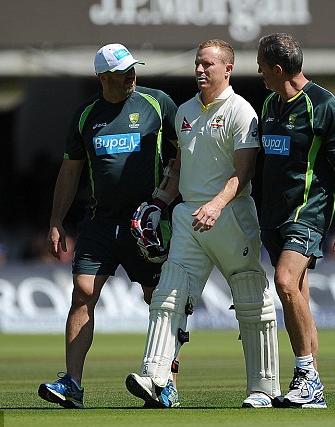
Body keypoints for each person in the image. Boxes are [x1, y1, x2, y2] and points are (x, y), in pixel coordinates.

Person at [125, 39, 280, 409]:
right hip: (189, 216)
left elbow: (245, 172)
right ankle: (156, 376)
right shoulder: (184, 112)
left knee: (250, 300)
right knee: (168, 294)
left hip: (232, 215)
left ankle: (265, 388)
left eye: (208, 64)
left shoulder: (242, 112)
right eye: (197, 64)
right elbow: (179, 167)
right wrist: (159, 203)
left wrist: (216, 204)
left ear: (228, 68)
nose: (200, 70)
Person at [37, 43, 180, 409]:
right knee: (82, 293)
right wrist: (56, 220)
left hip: (147, 224)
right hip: (99, 223)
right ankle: (72, 384)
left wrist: (168, 204)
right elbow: (70, 171)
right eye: (120, 73)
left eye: (132, 69)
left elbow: (184, 156)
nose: (130, 76)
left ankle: (164, 384)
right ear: (101, 77)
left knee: (159, 301)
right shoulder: (86, 116)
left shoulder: (158, 103)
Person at [256, 33, 335, 409]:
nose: (259, 74)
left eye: (262, 68)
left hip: (307, 211)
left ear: (278, 69)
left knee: (283, 281)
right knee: (298, 295)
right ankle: (311, 385)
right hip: (273, 217)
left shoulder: (322, 104)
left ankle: (306, 377)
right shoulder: (269, 103)